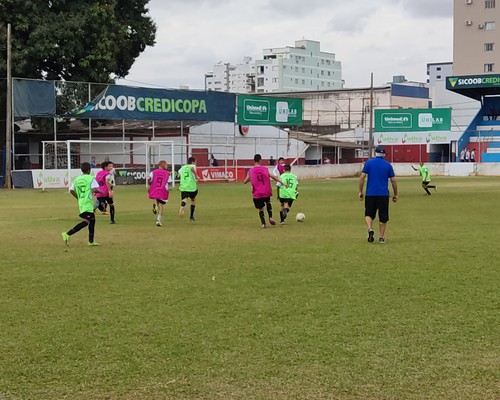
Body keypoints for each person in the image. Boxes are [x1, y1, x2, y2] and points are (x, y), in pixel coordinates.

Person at [358, 145, 398, 244]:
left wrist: (360, 191)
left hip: (370, 193)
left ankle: (370, 228)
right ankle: (381, 237)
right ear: (384, 154)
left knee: (368, 214)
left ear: (375, 153)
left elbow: (362, 177)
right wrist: (395, 194)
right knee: (383, 217)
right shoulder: (387, 165)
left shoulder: (369, 163)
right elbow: (393, 180)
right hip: (383, 194)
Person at [61, 162, 100, 247]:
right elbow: (94, 189)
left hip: (82, 203)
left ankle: (91, 241)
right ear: (89, 170)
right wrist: (101, 191)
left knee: (91, 221)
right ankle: (67, 234)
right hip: (88, 203)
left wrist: (78, 197)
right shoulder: (91, 178)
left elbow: (71, 190)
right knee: (87, 221)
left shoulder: (77, 179)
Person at [243, 154, 286, 228]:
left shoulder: (250, 170)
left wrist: (252, 180)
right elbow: (272, 176)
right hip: (266, 190)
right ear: (260, 160)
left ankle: (263, 224)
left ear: (254, 160)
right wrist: (282, 182)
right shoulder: (265, 169)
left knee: (260, 208)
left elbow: (245, 181)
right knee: (268, 202)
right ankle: (270, 217)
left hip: (257, 192)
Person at [147, 160, 171, 227]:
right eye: (166, 164)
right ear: (163, 165)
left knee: (157, 200)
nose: (166, 166)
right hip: (162, 190)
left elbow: (149, 179)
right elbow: (169, 182)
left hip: (155, 189)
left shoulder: (153, 172)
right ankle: (158, 220)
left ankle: (155, 205)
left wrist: (149, 182)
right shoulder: (167, 173)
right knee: (161, 206)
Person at [178, 156, 199, 221]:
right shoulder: (193, 166)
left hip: (184, 186)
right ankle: (191, 216)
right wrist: (196, 175)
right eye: (195, 162)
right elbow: (192, 168)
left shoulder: (183, 167)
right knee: (193, 200)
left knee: (184, 199)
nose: (196, 163)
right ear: (192, 162)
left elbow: (179, 175)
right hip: (191, 186)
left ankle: (182, 206)